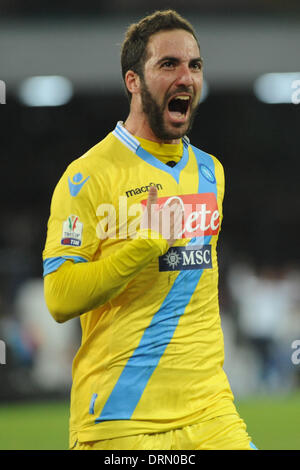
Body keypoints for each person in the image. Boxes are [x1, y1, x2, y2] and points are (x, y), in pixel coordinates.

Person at [43, 9, 257, 450]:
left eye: (194, 65)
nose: (186, 77)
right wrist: (145, 245)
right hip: (123, 420)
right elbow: (60, 297)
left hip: (212, 411)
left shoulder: (209, 172)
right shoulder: (88, 176)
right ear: (133, 81)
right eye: (168, 64)